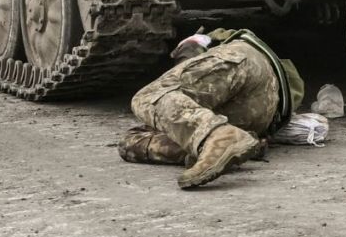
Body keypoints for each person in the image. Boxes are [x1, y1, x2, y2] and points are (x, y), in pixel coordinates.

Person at [117, 29, 305, 189]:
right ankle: (229, 143)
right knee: (130, 142)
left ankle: (217, 136)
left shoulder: (203, 39)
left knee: (148, 97)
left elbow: (190, 53)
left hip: (246, 63)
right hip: (265, 114)